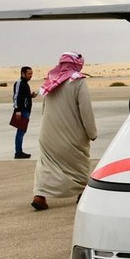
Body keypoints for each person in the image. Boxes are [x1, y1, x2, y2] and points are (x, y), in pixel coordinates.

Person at [31, 52, 97, 211]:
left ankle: (39, 195)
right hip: (72, 135)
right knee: (78, 163)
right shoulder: (78, 82)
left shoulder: (51, 80)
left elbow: (44, 109)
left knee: (46, 164)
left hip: (48, 133)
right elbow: (85, 110)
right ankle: (81, 192)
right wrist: (92, 133)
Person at [11, 66, 36, 159]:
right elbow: (16, 97)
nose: (31, 76)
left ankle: (19, 151)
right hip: (22, 111)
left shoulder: (25, 83)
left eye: (31, 74)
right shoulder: (19, 83)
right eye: (29, 74)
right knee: (20, 131)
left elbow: (23, 97)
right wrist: (17, 110)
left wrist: (30, 96)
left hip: (26, 111)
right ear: (23, 73)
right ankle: (18, 152)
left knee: (22, 131)